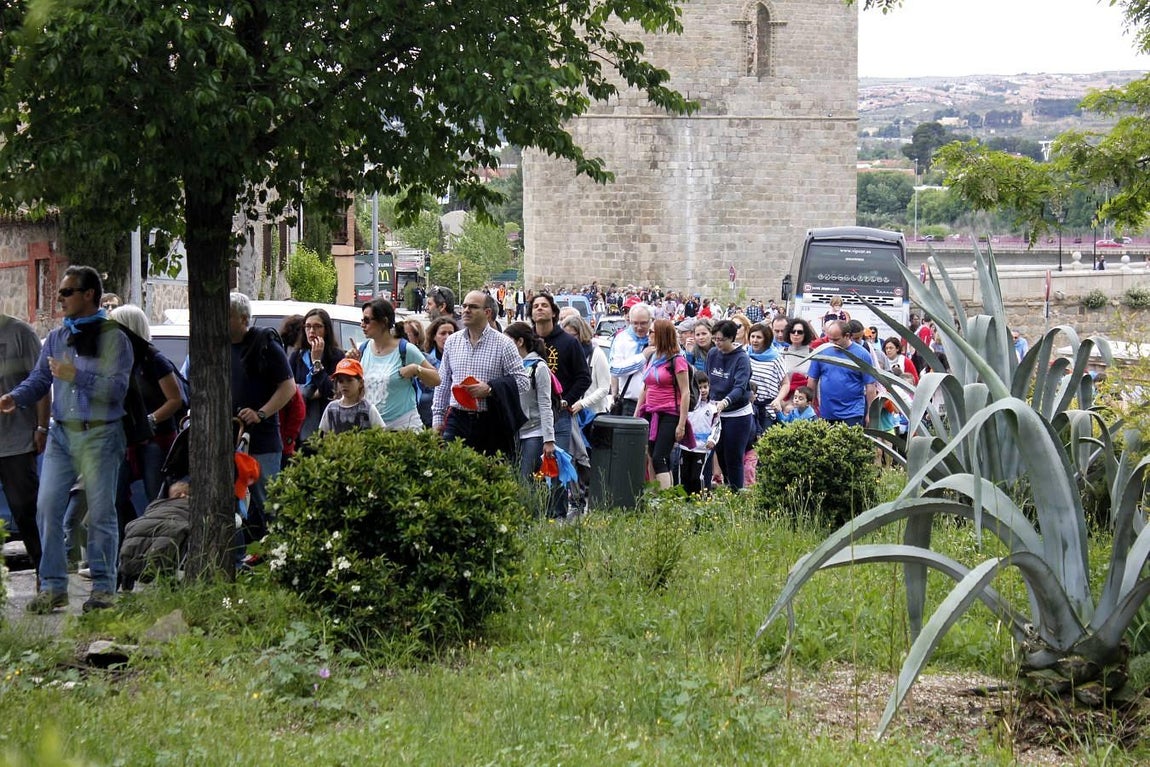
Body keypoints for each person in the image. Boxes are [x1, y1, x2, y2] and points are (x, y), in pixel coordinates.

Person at [1, 266, 133, 613]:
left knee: (102, 513)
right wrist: (15, 398)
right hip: (62, 433)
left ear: (88, 294)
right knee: (46, 507)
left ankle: (104, 590)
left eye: (66, 292)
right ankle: (55, 586)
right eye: (60, 292)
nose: (59, 298)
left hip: (100, 433)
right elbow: (40, 379)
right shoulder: (59, 337)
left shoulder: (114, 338)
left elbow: (117, 391)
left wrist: (76, 375)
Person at [230, 292, 299, 545]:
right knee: (232, 506)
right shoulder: (219, 347)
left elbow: (288, 387)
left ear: (243, 318)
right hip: (230, 437)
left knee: (271, 505)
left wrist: (261, 413)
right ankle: (236, 558)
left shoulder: (264, 344)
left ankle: (284, 553)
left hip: (262, 440)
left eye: (228, 316)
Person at [109, 305, 186, 524]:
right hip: (126, 440)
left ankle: (156, 545)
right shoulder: (119, 360)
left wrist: (150, 420)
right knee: (116, 496)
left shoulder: (153, 359)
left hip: (155, 439)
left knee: (156, 498)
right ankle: (127, 544)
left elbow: (175, 399)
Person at [432, 291, 529, 457]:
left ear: (487, 312)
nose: (466, 310)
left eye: (473, 307)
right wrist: (438, 418)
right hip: (457, 418)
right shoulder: (452, 342)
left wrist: (490, 389)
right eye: (464, 306)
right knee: (453, 473)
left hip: (490, 421)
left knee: (489, 476)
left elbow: (523, 381)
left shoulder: (504, 344)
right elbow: (443, 383)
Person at [0, 311, 49, 577]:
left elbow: (41, 383)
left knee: (26, 513)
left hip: (17, 442)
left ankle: (47, 577)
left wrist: (41, 427)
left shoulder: (21, 333)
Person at [346, 299, 440, 431]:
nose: (362, 325)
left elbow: (436, 379)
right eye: (362, 320)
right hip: (373, 428)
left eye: (367, 320)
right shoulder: (364, 348)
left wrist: (416, 369)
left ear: (383, 322)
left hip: (403, 428)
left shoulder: (405, 349)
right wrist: (351, 364)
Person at [634, 319, 691, 490]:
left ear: (662, 335)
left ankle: (665, 501)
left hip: (670, 413)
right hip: (652, 411)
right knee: (651, 455)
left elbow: (685, 392)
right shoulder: (652, 356)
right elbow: (646, 387)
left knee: (660, 457)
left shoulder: (677, 360)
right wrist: (637, 413)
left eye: (652, 332)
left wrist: (681, 424)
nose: (648, 335)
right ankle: (655, 495)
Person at [504, 322, 556, 483]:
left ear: (519, 342)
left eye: (507, 342)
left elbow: (545, 405)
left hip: (534, 431)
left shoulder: (538, 367)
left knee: (525, 480)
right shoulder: (508, 366)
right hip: (512, 433)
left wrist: (549, 440)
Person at [706, 319, 754, 491]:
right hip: (717, 413)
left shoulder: (742, 358)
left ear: (731, 338)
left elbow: (740, 387)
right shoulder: (712, 354)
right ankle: (728, 488)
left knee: (733, 457)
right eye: (715, 339)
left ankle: (736, 492)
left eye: (721, 340)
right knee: (720, 456)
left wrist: (725, 402)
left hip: (737, 414)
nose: (717, 343)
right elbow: (708, 379)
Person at [807, 320, 877, 427]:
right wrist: (810, 405)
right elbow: (812, 380)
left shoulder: (862, 354)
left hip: (852, 412)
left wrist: (870, 414)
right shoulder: (821, 352)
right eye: (830, 339)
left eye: (836, 340)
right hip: (827, 412)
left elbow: (870, 385)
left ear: (847, 336)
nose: (832, 343)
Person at [290, 308, 346, 442]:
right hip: (298, 423)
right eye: (308, 326)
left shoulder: (336, 356)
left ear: (326, 330)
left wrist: (316, 362)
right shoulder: (297, 356)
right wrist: (308, 393)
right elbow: (289, 388)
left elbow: (331, 391)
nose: (311, 331)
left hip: (326, 425)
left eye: (317, 327)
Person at [608, 302, 654, 416]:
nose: (639, 328)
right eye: (635, 323)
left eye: (643, 323)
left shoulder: (658, 338)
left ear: (651, 320)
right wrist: (642, 358)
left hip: (654, 403)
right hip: (630, 403)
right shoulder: (622, 339)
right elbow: (615, 369)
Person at [560, 314, 612, 415]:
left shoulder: (596, 354)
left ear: (581, 334)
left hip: (594, 414)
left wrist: (582, 404)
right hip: (571, 412)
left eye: (572, 336)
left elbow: (604, 388)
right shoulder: (565, 354)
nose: (568, 340)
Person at [318, 358, 386, 433]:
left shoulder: (368, 408)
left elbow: (381, 433)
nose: (344, 385)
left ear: (360, 383)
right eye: (341, 381)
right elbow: (324, 434)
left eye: (349, 380)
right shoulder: (331, 408)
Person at [680, 370, 720, 495]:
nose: (703, 390)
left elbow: (717, 426)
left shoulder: (713, 407)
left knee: (697, 476)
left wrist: (712, 440)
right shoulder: (688, 406)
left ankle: (701, 500)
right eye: (699, 387)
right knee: (684, 475)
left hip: (702, 448)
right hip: (686, 446)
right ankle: (684, 500)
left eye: (705, 387)